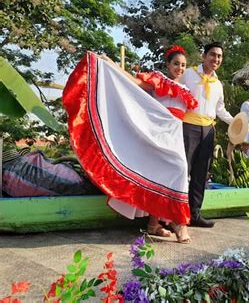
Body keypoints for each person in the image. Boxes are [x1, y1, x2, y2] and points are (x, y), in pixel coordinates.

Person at [63, 46, 197, 244]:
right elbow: (133, 83)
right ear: (168, 64)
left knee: (171, 172)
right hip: (156, 131)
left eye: (183, 65)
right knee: (168, 171)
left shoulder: (186, 90)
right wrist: (110, 64)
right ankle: (179, 223)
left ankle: (154, 224)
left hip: (174, 134)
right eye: (176, 63)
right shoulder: (159, 79)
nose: (180, 68)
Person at [181, 42, 233, 228]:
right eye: (212, 55)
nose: (216, 59)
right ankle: (176, 216)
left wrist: (236, 122)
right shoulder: (188, 74)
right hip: (188, 126)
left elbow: (220, 109)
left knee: (201, 174)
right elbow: (176, 94)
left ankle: (194, 214)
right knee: (182, 171)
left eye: (219, 56)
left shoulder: (218, 84)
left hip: (208, 129)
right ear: (204, 56)